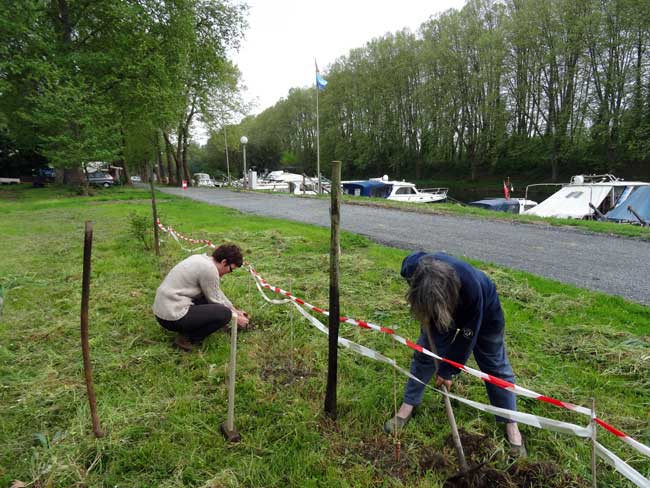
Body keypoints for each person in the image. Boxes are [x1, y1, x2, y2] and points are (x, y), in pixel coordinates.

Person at [384, 251, 525, 455]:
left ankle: (511, 424)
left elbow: (468, 336)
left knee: (494, 366)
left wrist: (448, 371)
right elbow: (408, 265)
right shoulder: (416, 267)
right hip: (435, 306)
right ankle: (407, 406)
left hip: (485, 315)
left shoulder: (472, 289)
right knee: (425, 355)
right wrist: (424, 304)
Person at [153, 244, 250, 351]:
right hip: (172, 316)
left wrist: (234, 309)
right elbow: (215, 300)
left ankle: (190, 329)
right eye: (231, 269)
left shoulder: (201, 259)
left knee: (215, 305)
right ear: (224, 262)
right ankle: (187, 339)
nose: (229, 273)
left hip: (163, 311)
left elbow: (215, 291)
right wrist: (235, 317)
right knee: (224, 314)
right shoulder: (210, 270)